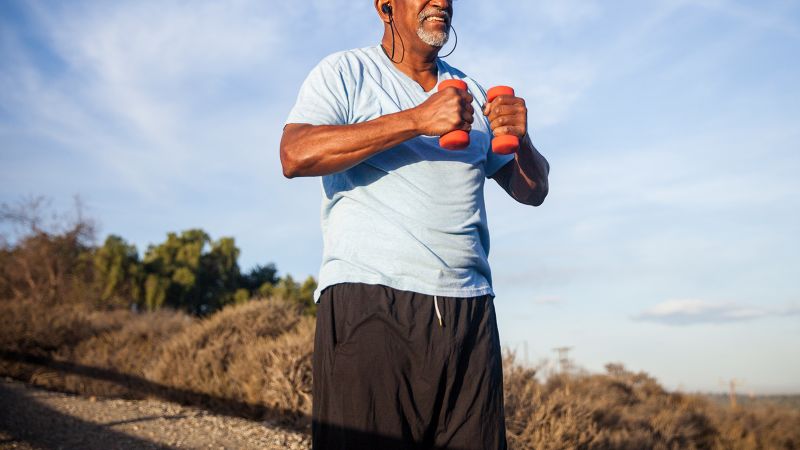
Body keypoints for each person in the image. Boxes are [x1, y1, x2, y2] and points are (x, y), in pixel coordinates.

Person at [280, 1, 549, 448]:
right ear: (385, 4)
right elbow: (296, 154)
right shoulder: (346, 72)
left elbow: (532, 190)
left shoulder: (471, 91)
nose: (440, 1)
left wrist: (523, 139)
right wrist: (417, 120)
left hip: (470, 311)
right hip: (371, 303)